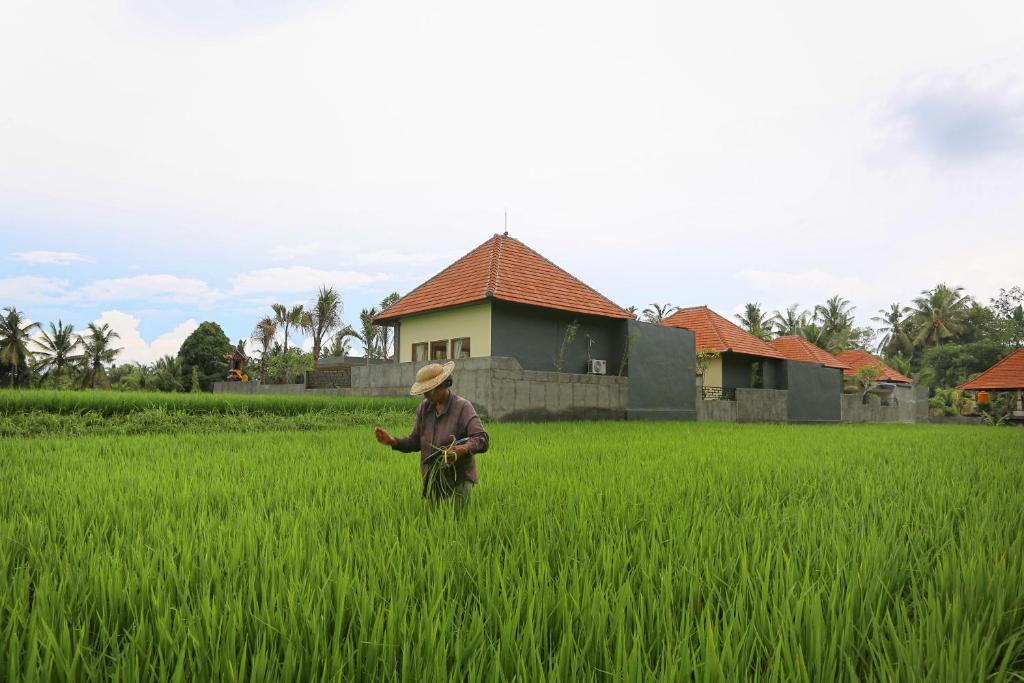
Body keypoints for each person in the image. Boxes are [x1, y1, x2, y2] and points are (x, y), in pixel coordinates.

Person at [373, 361, 489, 508]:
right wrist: (392, 441)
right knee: (436, 523)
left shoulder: (463, 407)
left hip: (458, 479)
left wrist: (463, 449)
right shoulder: (424, 408)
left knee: (458, 524)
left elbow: (482, 439)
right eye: (424, 392)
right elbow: (415, 441)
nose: (426, 395)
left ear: (442, 386)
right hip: (433, 478)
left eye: (429, 391)